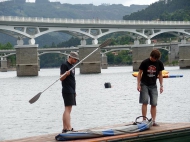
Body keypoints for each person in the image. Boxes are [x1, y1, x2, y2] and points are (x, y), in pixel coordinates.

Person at [137, 49, 164, 126]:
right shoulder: (145, 62)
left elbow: (160, 75)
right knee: (144, 102)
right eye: (153, 58)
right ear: (151, 56)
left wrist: (161, 85)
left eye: (155, 59)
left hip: (153, 85)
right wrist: (138, 84)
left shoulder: (159, 63)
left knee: (154, 103)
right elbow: (139, 74)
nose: (154, 60)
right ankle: (144, 120)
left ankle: (153, 121)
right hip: (144, 84)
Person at [60, 51, 79, 133]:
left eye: (77, 60)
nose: (76, 61)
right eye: (75, 59)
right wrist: (65, 74)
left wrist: (74, 91)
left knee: (67, 109)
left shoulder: (72, 66)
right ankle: (69, 128)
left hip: (71, 90)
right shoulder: (64, 65)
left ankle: (65, 128)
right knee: (68, 109)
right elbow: (61, 78)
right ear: (70, 57)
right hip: (67, 90)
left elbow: (72, 80)